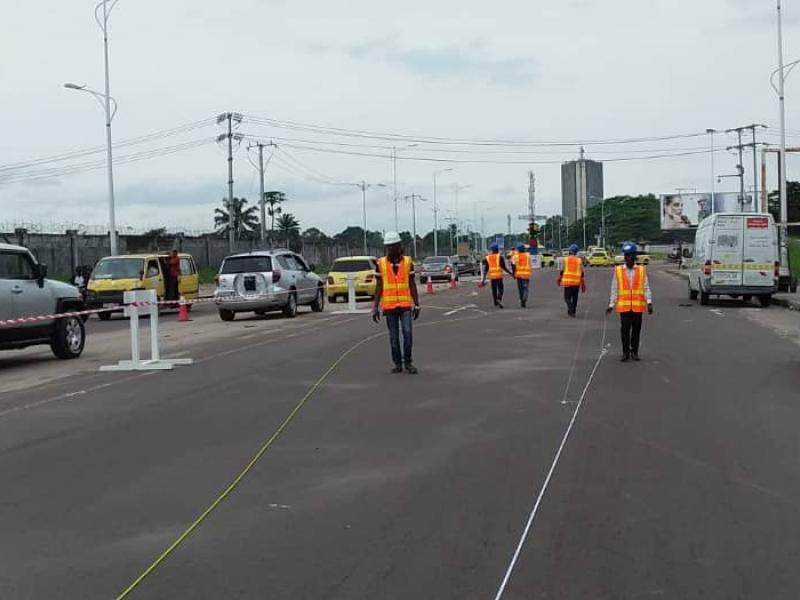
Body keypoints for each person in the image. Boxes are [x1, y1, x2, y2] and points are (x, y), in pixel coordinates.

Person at [372, 231, 421, 374]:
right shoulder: (380, 264)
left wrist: (417, 304)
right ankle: (398, 363)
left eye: (394, 246)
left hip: (405, 306)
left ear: (399, 246)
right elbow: (379, 286)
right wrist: (375, 307)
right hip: (389, 307)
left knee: (408, 333)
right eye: (388, 246)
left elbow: (412, 284)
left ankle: (408, 362)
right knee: (393, 337)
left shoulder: (407, 262)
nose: (391, 249)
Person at [606, 242, 654, 362]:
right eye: (626, 255)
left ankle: (635, 352)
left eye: (630, 255)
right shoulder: (618, 270)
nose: (628, 258)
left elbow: (646, 286)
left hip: (638, 307)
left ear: (635, 256)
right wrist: (611, 304)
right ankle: (625, 352)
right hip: (624, 307)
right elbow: (614, 288)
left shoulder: (642, 270)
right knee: (625, 330)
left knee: (636, 331)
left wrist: (649, 302)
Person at [481, 243, 514, 308]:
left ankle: (495, 302)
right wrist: (511, 274)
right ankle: (499, 298)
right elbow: (504, 267)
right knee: (501, 289)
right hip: (499, 276)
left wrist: (484, 279)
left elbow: (486, 269)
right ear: (497, 249)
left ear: (492, 250)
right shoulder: (500, 257)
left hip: (492, 277)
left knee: (494, 289)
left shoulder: (488, 257)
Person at [558, 244, 586, 317]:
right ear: (576, 252)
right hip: (576, 282)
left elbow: (562, 270)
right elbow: (582, 272)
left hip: (567, 281)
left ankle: (570, 308)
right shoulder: (579, 260)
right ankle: (573, 311)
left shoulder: (565, 259)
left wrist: (559, 279)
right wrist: (583, 284)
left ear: (569, 251)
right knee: (575, 297)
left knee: (567, 297)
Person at [511, 243, 532, 308]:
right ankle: (524, 299)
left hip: (518, 275)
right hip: (526, 275)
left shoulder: (515, 257)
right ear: (524, 249)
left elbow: (513, 266)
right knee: (525, 288)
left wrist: (514, 274)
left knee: (520, 289)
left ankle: (521, 299)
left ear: (518, 249)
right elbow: (530, 263)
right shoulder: (528, 256)